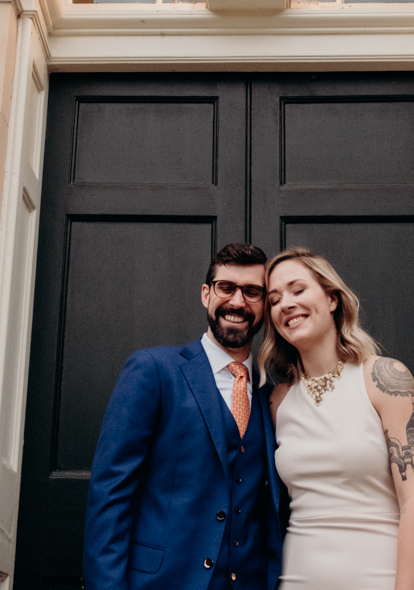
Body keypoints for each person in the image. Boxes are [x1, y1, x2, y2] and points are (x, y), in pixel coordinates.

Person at [85, 242, 284, 590]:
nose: (237, 302)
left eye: (252, 292)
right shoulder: (154, 370)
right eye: (227, 288)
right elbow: (111, 491)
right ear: (206, 294)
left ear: (265, 305)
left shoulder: (274, 396)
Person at [262, 247, 414, 590]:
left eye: (298, 290)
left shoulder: (384, 379)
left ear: (331, 298)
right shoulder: (277, 402)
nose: (285, 304)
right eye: (273, 299)